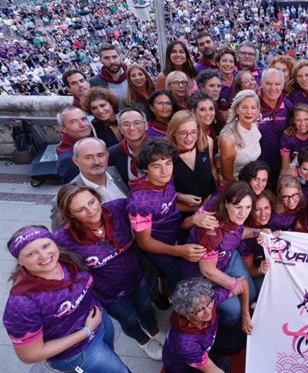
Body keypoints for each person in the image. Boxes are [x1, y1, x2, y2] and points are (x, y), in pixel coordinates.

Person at [53, 185, 165, 360]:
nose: (91, 210)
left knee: (145, 307)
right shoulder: (63, 239)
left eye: (92, 202)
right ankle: (144, 341)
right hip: (109, 293)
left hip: (136, 277)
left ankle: (153, 330)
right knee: (128, 319)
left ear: (98, 197)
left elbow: (147, 200)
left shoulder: (117, 209)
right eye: (80, 209)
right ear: (69, 214)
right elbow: (45, 258)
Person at [3, 225, 129, 372]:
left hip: (101, 324)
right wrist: (86, 331)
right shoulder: (22, 303)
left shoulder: (67, 259)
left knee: (112, 358)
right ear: (19, 261)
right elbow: (30, 355)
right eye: (31, 254)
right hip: (77, 352)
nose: (44, 256)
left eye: (46, 245)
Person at [127, 138, 207, 293]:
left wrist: (180, 196)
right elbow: (144, 242)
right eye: (157, 166)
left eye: (168, 163)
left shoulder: (166, 179)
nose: (165, 171)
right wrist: (179, 251)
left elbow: (165, 203)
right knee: (180, 284)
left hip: (179, 234)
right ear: (145, 169)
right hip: (166, 252)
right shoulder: (139, 203)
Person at [181, 182, 255, 327]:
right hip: (203, 273)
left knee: (251, 293)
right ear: (226, 204)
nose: (243, 213)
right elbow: (207, 271)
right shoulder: (211, 230)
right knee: (235, 310)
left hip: (227, 256)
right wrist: (233, 284)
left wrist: (257, 232)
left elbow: (237, 232)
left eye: (248, 207)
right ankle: (225, 326)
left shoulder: (224, 206)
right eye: (238, 207)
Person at [163, 277, 249, 373]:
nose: (208, 311)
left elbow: (243, 283)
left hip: (206, 341)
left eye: (208, 304)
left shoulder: (207, 299)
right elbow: (212, 369)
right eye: (199, 310)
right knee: (224, 366)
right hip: (186, 367)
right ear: (187, 315)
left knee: (239, 340)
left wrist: (245, 315)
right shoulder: (185, 343)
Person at [167, 111, 218, 213]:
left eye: (193, 132)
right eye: (183, 133)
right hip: (184, 212)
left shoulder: (207, 142)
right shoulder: (165, 154)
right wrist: (180, 197)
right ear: (173, 133)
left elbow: (212, 168)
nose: (189, 138)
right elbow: (161, 191)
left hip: (212, 204)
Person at [257, 68, 293, 184]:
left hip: (281, 164)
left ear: (283, 85)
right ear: (261, 84)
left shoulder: (288, 106)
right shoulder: (253, 104)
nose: (273, 88)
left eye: (277, 84)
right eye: (268, 83)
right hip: (256, 165)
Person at [219, 89, 262, 181]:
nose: (249, 112)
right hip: (238, 185)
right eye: (244, 107)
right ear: (236, 109)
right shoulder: (228, 139)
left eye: (253, 107)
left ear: (258, 110)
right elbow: (227, 176)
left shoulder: (255, 125)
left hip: (253, 180)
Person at [238, 190, 274, 292]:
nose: (263, 214)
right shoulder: (245, 238)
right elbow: (250, 270)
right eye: (257, 209)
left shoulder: (275, 222)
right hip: (259, 274)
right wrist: (260, 270)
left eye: (266, 208)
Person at [56, 105, 95, 182]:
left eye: (84, 119)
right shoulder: (68, 159)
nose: (83, 125)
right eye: (73, 122)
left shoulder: (92, 139)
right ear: (63, 129)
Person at [108, 108, 148, 182]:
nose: (132, 128)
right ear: (120, 128)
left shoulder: (161, 146)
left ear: (146, 125)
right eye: (126, 124)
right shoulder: (112, 154)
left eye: (137, 123)